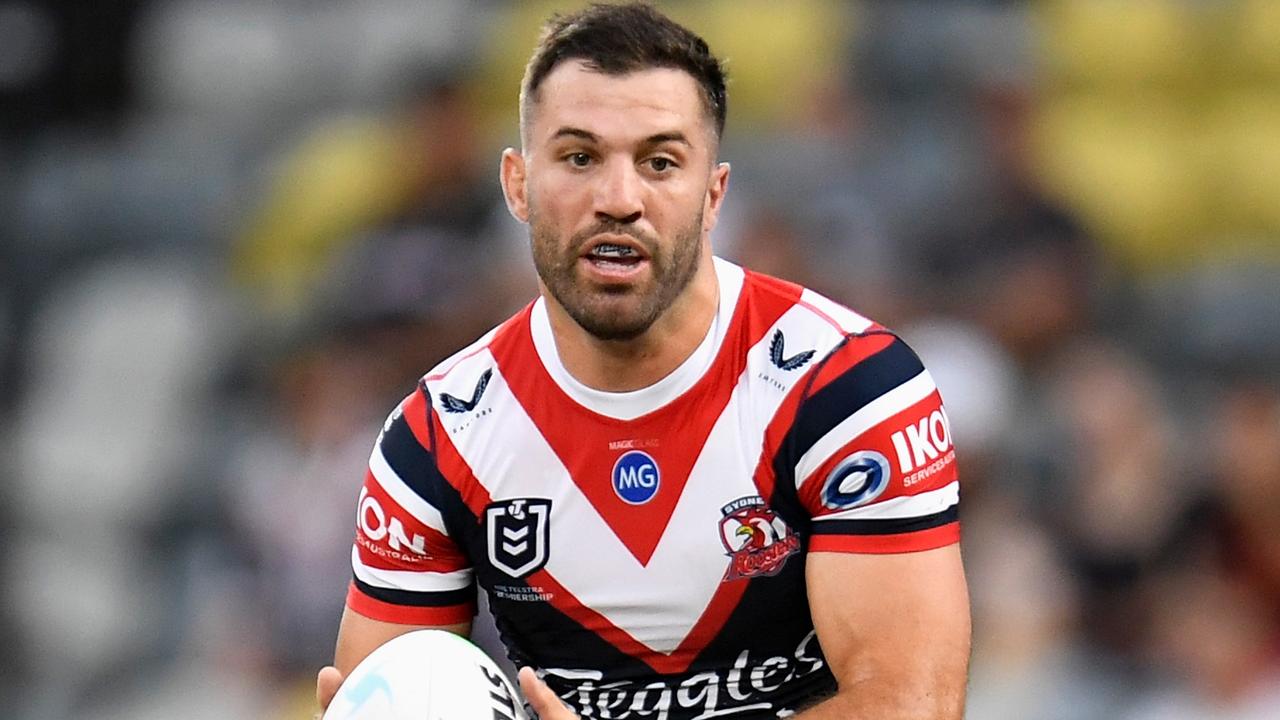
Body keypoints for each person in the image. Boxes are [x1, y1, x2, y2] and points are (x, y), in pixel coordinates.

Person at [317, 4, 969, 718]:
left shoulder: (846, 389)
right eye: (578, 158)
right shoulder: (436, 437)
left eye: (660, 162)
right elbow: (393, 689)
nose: (619, 200)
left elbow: (912, 706)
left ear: (714, 195)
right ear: (517, 186)